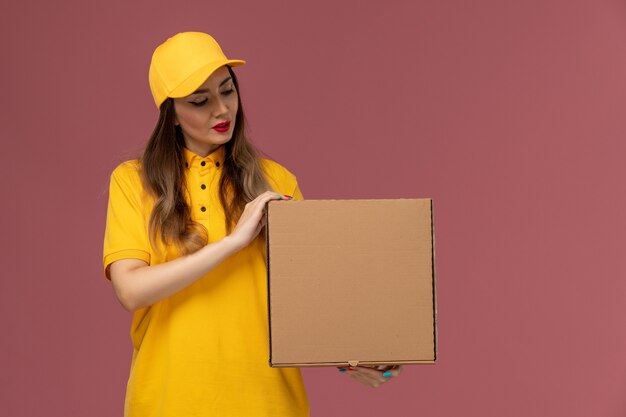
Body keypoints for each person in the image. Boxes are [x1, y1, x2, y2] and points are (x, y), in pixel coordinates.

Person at [102, 31, 401, 417]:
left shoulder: (276, 181)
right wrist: (232, 242)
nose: (222, 110)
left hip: (269, 403)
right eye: (200, 101)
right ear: (170, 114)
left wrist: (356, 357)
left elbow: (308, 302)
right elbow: (130, 290)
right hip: (168, 401)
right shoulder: (133, 181)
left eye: (228, 90)